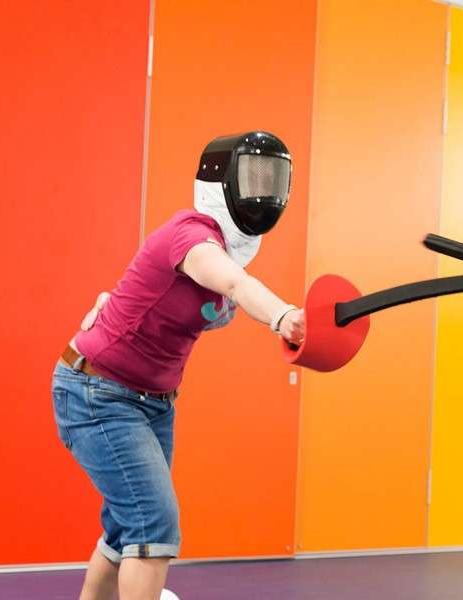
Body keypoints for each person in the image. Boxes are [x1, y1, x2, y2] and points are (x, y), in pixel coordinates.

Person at [51, 131, 305, 600]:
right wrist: (284, 315)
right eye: (253, 176)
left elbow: (157, 298)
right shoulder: (193, 236)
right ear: (220, 179)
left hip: (152, 403)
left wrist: (110, 302)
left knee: (126, 530)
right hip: (97, 392)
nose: (263, 191)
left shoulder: (228, 252)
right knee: (152, 522)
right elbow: (233, 283)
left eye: (273, 178)